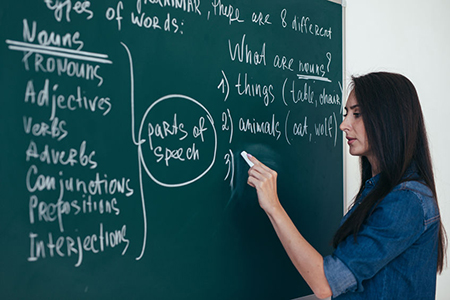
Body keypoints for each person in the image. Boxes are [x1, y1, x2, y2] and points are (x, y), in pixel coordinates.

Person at [245, 72, 446, 299]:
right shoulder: (379, 191)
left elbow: (325, 284)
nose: (343, 125)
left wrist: (273, 206)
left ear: (389, 120)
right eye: (346, 113)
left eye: (357, 114)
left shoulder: (406, 201)